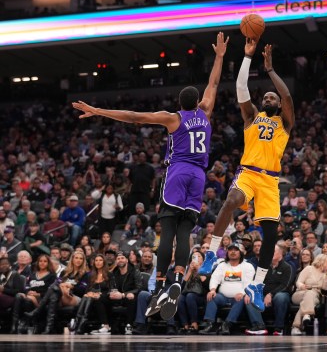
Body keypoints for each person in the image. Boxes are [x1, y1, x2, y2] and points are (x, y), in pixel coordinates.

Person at [72, 32, 229, 320]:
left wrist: (98, 111)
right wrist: (219, 56)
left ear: (180, 104)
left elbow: (134, 116)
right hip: (198, 176)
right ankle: (179, 280)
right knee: (185, 231)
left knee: (167, 228)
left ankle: (158, 285)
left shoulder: (174, 118)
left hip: (179, 172)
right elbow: (214, 83)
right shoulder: (206, 112)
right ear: (197, 102)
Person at [202, 39, 294, 312]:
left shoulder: (284, 123)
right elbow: (241, 89)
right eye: (265, 96)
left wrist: (270, 70)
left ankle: (257, 284)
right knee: (231, 200)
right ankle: (210, 253)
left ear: (277, 105)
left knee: (269, 234)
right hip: (249, 173)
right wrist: (246, 57)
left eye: (271, 98)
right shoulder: (251, 117)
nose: (268, 98)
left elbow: (288, 97)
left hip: (270, 181)